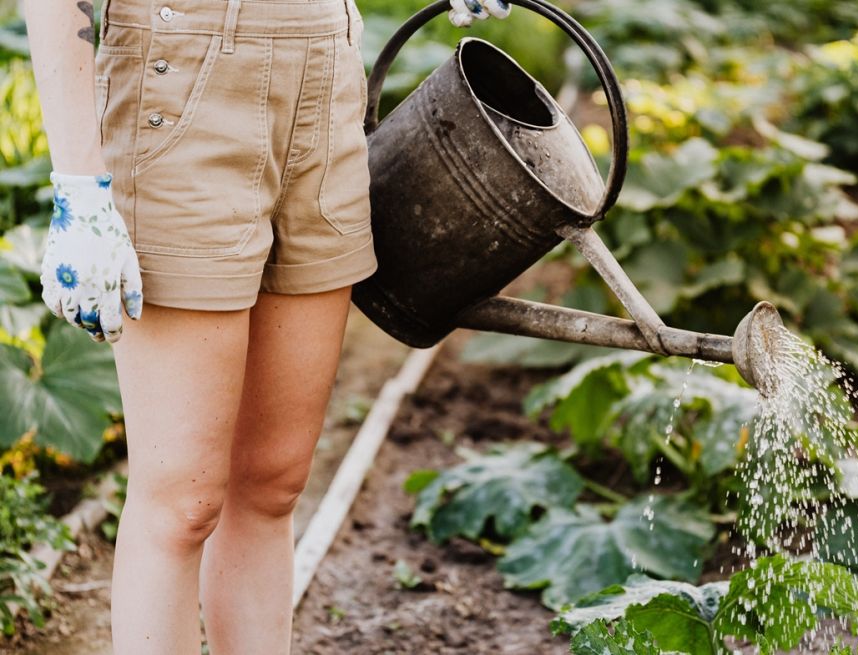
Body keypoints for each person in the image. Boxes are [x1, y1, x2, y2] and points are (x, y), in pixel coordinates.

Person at [23, 0, 509, 652]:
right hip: (181, 81)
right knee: (182, 503)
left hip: (326, 73)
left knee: (273, 483)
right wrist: (79, 187)